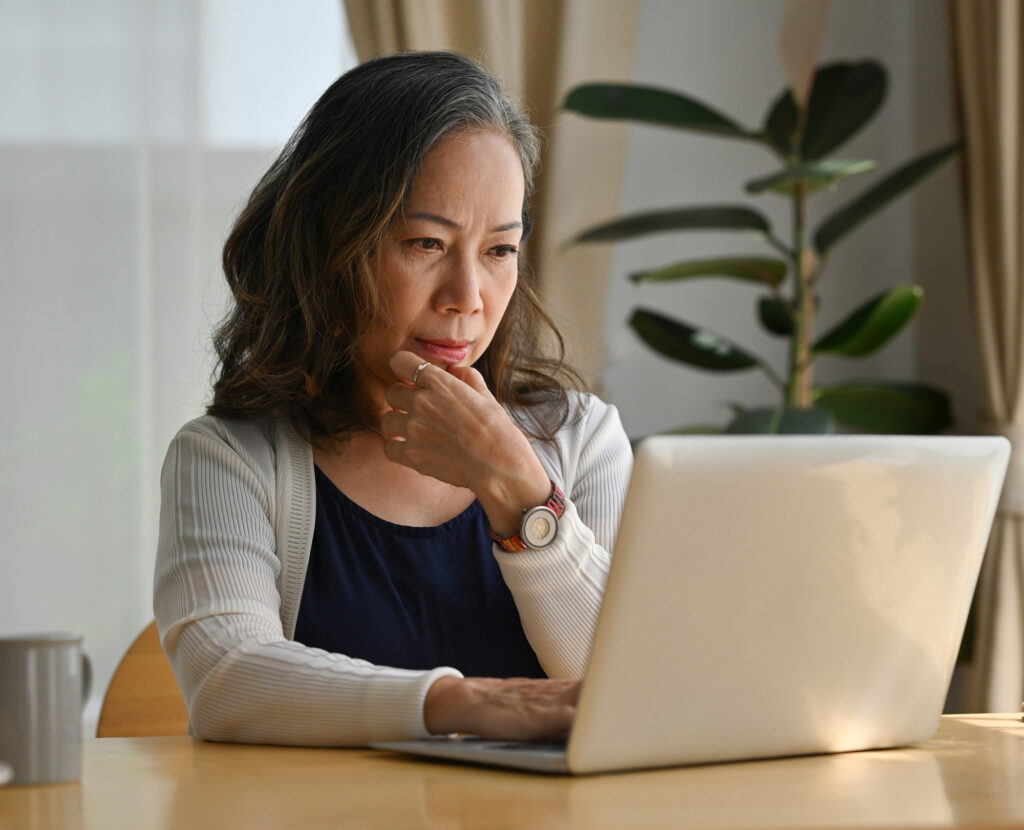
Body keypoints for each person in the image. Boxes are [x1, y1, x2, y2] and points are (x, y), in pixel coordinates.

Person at [153, 51, 632, 746]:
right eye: (427, 243)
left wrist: (520, 489)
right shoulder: (231, 459)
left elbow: (621, 684)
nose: (468, 299)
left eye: (500, 250)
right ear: (333, 248)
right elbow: (227, 679)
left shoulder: (581, 439)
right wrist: (464, 704)